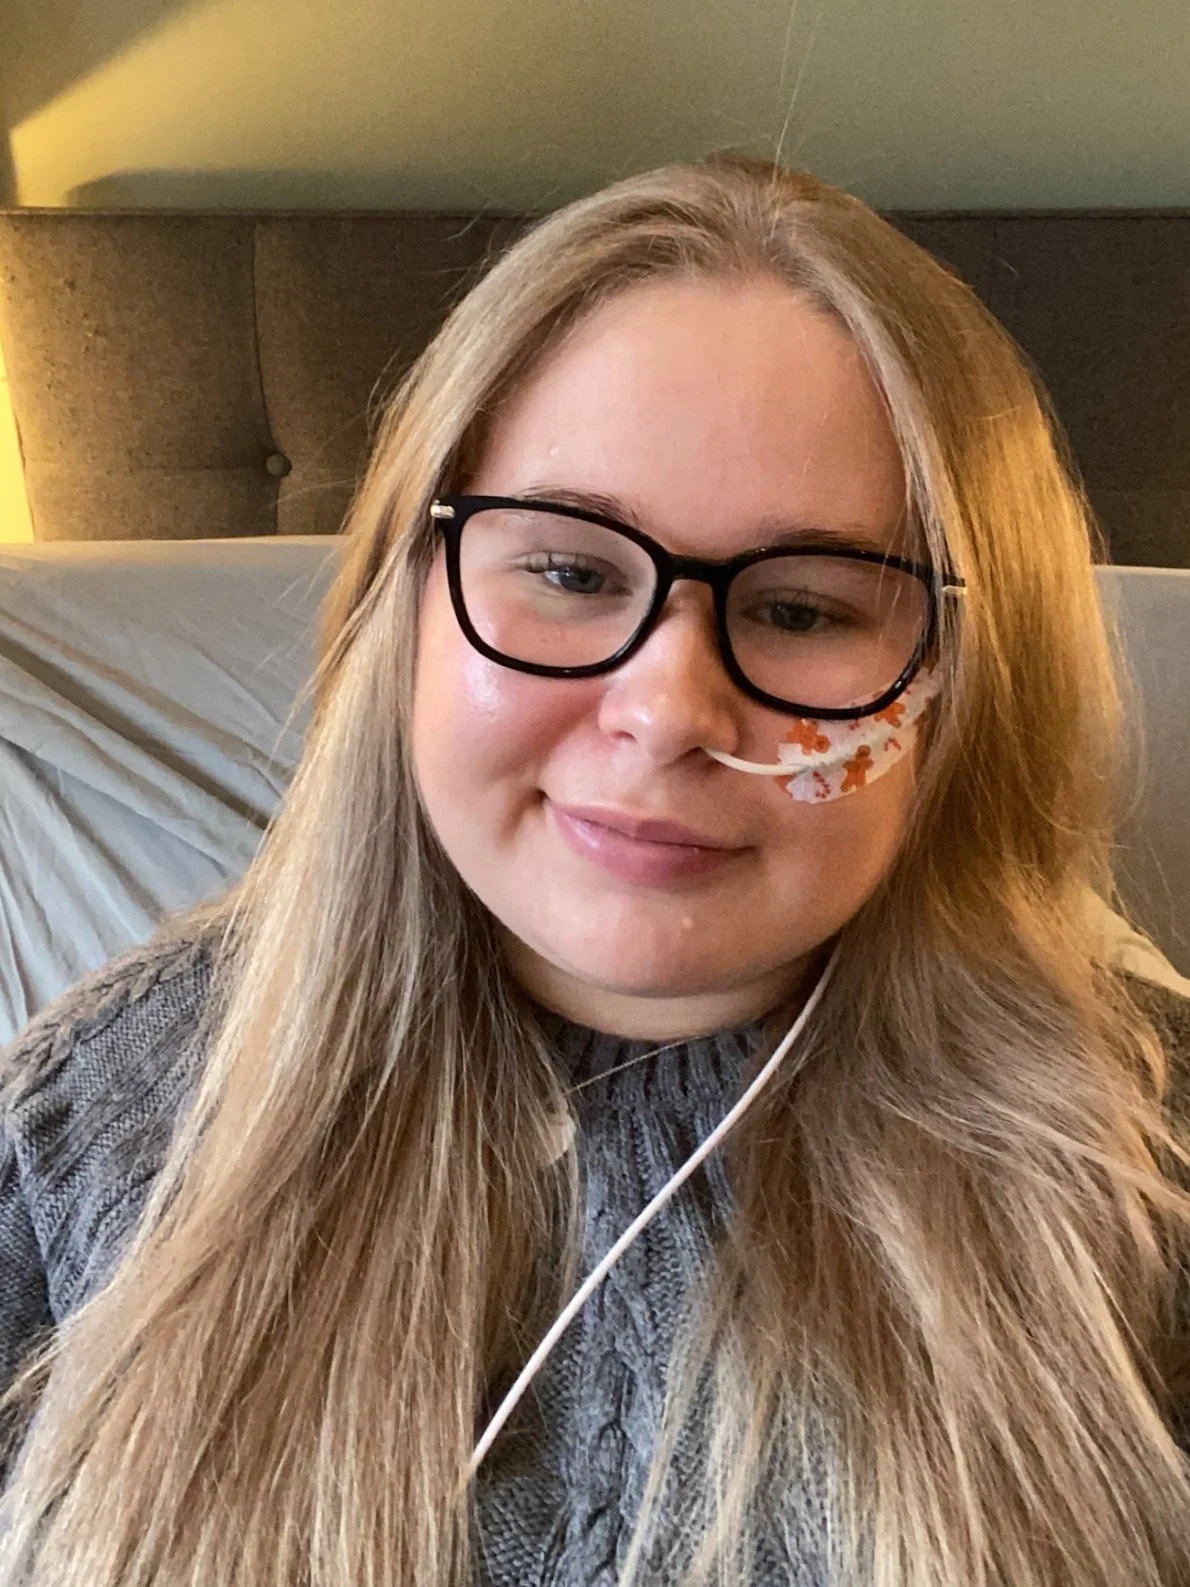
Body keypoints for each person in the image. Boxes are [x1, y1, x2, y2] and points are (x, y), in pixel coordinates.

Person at [1, 153, 1189, 1587]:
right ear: (406, 605)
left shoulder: (1144, 1179)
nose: (668, 710)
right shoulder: (85, 1131)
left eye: (805, 608)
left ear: (964, 687)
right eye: (568, 574)